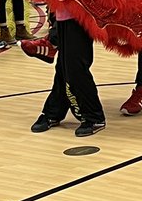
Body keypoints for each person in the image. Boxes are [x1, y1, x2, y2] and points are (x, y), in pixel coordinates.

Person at [30, 7, 106, 137]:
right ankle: (54, 112)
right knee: (63, 65)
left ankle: (94, 116)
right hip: (62, 13)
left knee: (76, 67)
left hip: (82, 13)